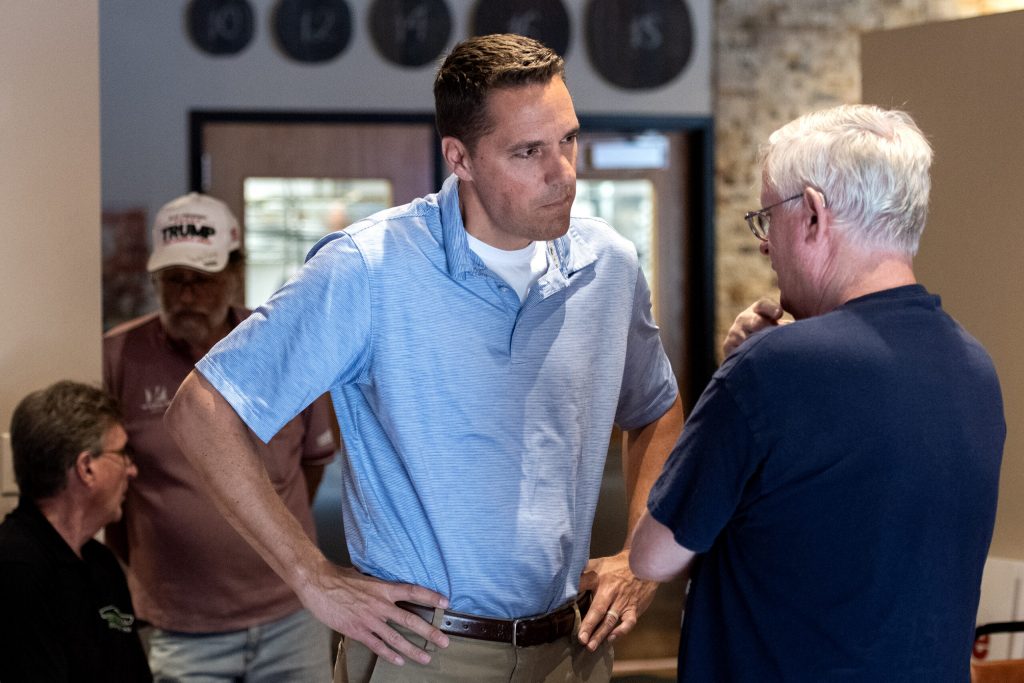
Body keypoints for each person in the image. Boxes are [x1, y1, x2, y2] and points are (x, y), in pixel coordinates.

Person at [164, 33, 684, 683]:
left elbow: (658, 410)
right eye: (528, 152)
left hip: (572, 648)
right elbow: (201, 410)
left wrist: (640, 555)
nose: (563, 174)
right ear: (459, 158)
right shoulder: (368, 268)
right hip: (425, 651)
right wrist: (311, 576)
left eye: (568, 140)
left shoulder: (608, 265)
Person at [630, 104, 1006, 681]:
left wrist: (733, 380)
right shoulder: (975, 369)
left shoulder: (772, 370)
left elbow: (652, 554)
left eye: (765, 219)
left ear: (811, 214)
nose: (764, 246)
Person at [103, 192, 337, 681]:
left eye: (202, 281)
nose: (187, 296)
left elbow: (311, 465)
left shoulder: (279, 346)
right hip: (180, 623)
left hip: (291, 612)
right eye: (174, 282)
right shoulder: (118, 357)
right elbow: (109, 486)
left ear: (232, 275)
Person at [0, 380, 151, 682]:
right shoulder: (15, 569)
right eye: (123, 453)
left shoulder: (102, 564)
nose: (131, 470)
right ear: (86, 468)